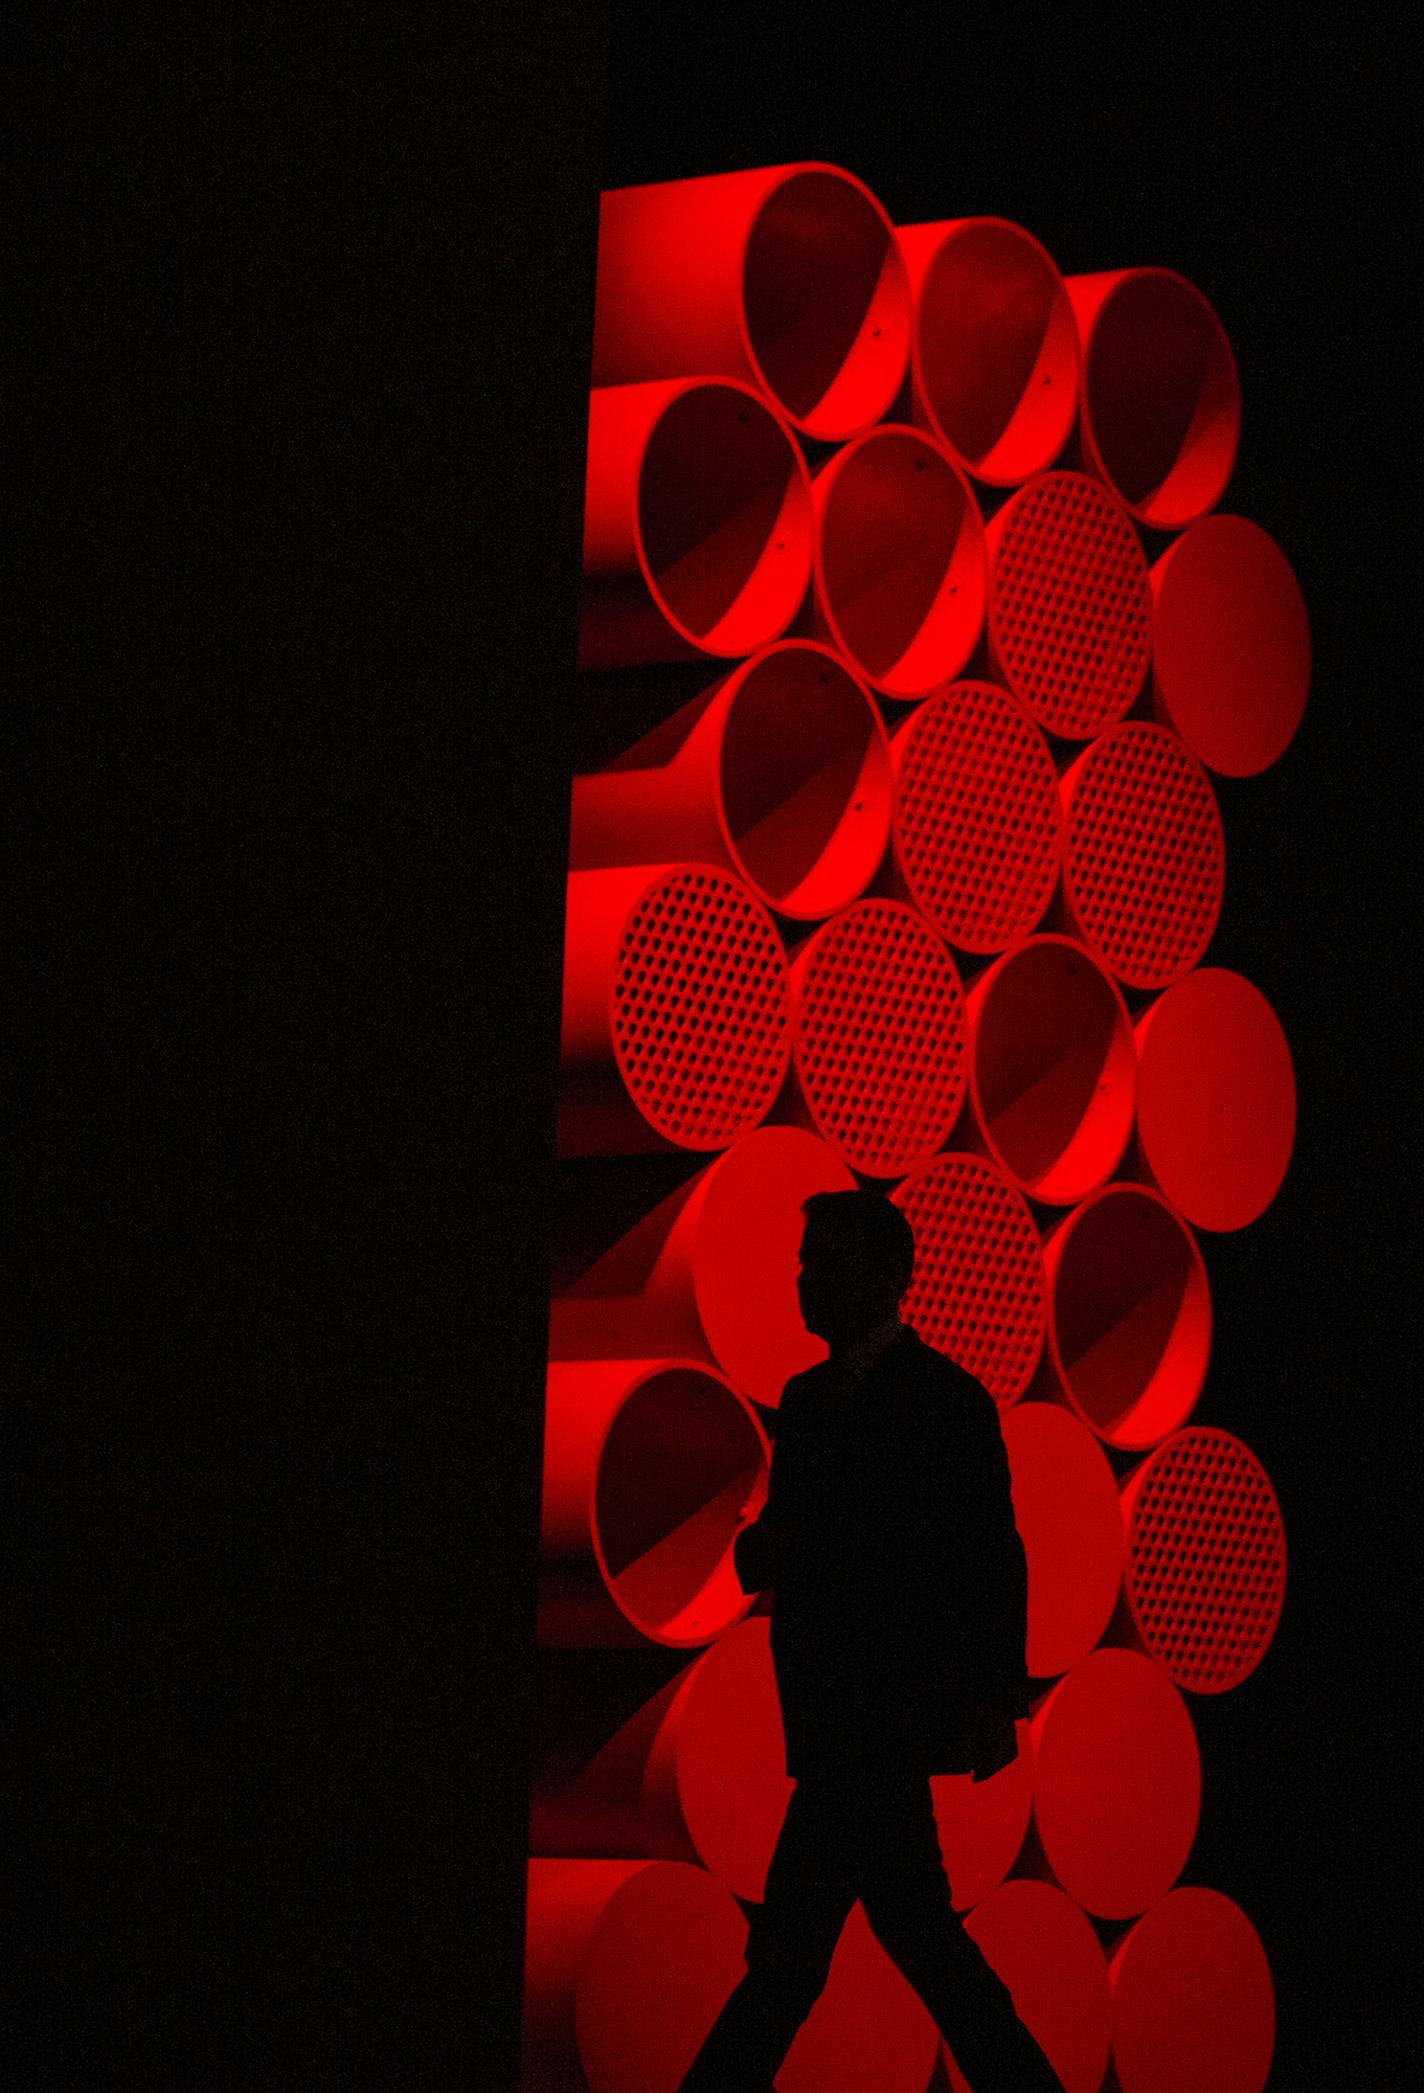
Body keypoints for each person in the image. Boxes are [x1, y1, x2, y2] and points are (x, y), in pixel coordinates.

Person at [675, 1189, 1063, 2092]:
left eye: (820, 1263)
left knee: (797, 1961)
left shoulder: (945, 1405)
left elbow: (990, 1558)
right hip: (845, 1720)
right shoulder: (810, 1400)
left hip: (874, 1720)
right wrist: (761, 1549)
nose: (802, 1279)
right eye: (804, 1261)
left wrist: (993, 1698)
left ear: (885, 1279)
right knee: (903, 1941)